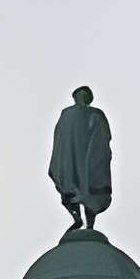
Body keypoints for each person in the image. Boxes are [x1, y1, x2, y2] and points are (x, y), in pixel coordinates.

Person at [48, 87, 112, 230]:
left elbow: (103, 135)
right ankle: (77, 218)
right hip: (71, 155)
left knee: (91, 189)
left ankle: (90, 225)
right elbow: (60, 135)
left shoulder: (95, 114)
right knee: (70, 187)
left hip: (90, 156)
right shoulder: (67, 113)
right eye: (78, 95)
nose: (80, 97)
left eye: (84, 95)